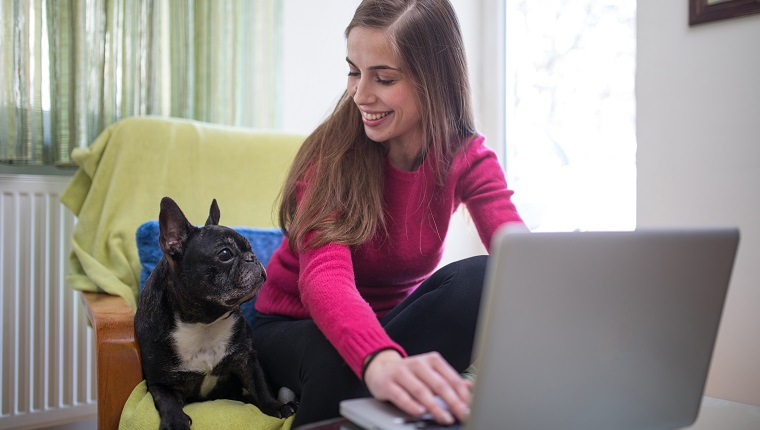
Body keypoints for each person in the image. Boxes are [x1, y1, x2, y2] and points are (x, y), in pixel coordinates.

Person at [250, 0, 524, 426]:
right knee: (336, 355)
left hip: (385, 327)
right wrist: (376, 359)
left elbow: (519, 256)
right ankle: (369, 383)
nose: (360, 94)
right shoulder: (331, 158)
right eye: (354, 71)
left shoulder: (464, 156)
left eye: (384, 78)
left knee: (485, 277)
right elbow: (325, 279)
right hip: (290, 330)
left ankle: (381, 390)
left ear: (435, 81)